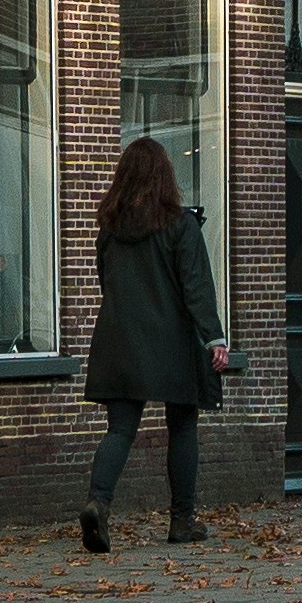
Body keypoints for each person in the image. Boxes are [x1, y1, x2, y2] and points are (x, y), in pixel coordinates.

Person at [79, 134, 229, 553]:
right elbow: (196, 287)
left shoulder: (109, 231)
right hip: (173, 343)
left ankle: (98, 502)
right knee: (182, 426)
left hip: (119, 340)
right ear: (166, 177)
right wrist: (213, 336)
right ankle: (182, 521)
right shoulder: (181, 226)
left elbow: (105, 283)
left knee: (120, 429)